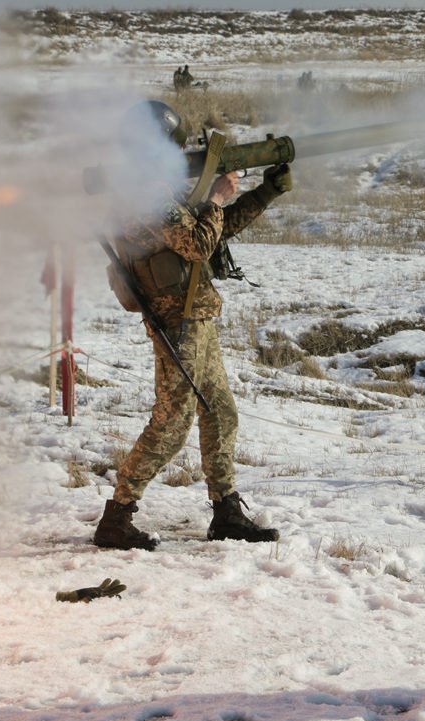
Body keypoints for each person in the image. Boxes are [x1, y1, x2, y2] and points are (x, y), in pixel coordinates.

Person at [94, 100, 293, 550]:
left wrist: (264, 193)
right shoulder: (143, 197)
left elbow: (211, 230)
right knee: (171, 425)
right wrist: (218, 199)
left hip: (196, 317)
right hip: (176, 322)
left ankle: (225, 512)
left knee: (220, 412)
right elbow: (200, 241)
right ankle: (117, 516)